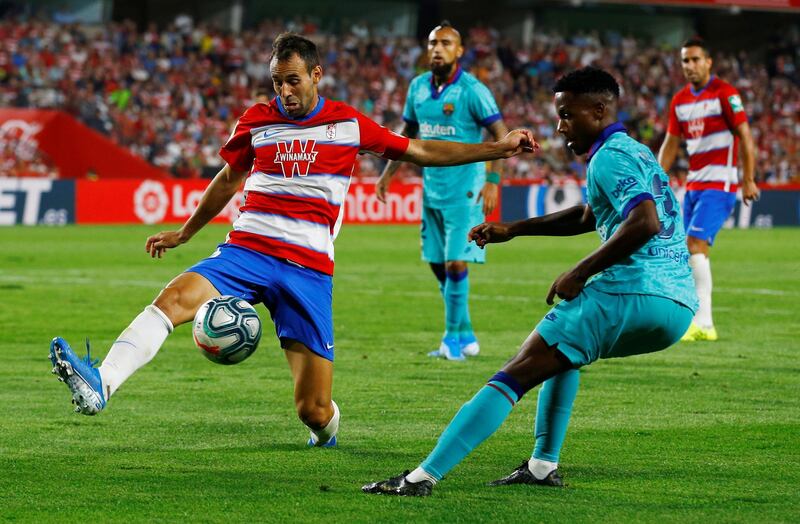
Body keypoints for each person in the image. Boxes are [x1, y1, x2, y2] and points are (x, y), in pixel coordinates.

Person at [48, 33, 535, 449]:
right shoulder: (257, 121)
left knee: (314, 411)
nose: (285, 91)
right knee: (173, 298)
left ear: (316, 74)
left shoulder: (348, 124)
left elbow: (422, 149)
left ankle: (326, 430)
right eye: (277, 82)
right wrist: (186, 232)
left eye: (293, 80)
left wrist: (497, 149)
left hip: (307, 270)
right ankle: (102, 383)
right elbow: (226, 179)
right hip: (246, 252)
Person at [362, 66, 698, 496]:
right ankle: (541, 465)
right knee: (565, 353)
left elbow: (645, 222)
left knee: (516, 372)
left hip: (631, 290)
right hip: (676, 305)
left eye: (567, 115)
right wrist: (514, 229)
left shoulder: (610, 157)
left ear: (598, 110)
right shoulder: (633, 151)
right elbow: (587, 216)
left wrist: (580, 271)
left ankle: (420, 478)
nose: (560, 127)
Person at [375, 22, 508, 361]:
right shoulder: (418, 87)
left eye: (446, 43)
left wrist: (492, 182)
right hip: (432, 187)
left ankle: (451, 340)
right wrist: (388, 173)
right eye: (433, 42)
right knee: (437, 263)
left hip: (466, 188)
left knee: (454, 264)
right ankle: (465, 333)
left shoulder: (472, 90)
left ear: (459, 51)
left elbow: (502, 134)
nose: (437, 48)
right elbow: (406, 133)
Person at [657, 37, 759, 342]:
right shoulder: (680, 101)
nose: (689, 66)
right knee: (690, 251)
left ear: (708, 62)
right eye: (685, 61)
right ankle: (700, 321)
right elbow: (671, 144)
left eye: (695, 59)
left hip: (721, 183)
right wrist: (656, 179)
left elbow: (745, 135)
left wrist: (749, 179)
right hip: (694, 185)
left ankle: (703, 323)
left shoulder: (725, 94)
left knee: (695, 245)